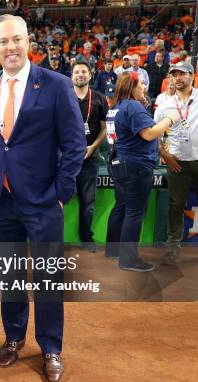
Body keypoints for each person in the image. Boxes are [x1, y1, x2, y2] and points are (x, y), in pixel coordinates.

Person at [0, 15, 86, 382]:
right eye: (3, 41)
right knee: (9, 275)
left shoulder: (55, 84)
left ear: (29, 42)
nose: (11, 47)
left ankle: (51, 347)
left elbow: (75, 145)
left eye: (17, 39)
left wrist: (61, 194)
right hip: (1, 200)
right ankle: (13, 336)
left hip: (43, 201)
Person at [104, 72, 179, 272]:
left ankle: (114, 250)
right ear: (133, 87)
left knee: (122, 207)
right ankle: (129, 259)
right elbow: (149, 134)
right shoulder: (132, 106)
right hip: (135, 166)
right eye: (142, 85)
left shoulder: (117, 106)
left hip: (120, 163)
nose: (144, 88)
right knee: (135, 212)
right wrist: (169, 120)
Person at [154, 62, 198, 264]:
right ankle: (172, 248)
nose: (178, 78)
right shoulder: (164, 104)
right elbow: (155, 133)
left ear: (193, 76)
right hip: (177, 163)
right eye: (174, 74)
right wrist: (164, 154)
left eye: (182, 74)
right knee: (175, 206)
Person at [71, 61, 108, 252]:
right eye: (76, 71)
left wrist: (93, 147)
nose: (80, 74)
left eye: (83, 71)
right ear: (71, 76)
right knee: (57, 202)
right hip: (66, 161)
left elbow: (104, 128)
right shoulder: (64, 97)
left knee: (88, 204)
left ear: (90, 75)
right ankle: (51, 240)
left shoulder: (100, 98)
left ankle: (86, 238)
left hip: (89, 160)